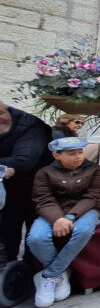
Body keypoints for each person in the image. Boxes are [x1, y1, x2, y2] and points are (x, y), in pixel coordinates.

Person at [27, 137, 100, 308]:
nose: (78, 157)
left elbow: (92, 196)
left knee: (84, 231)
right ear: (57, 155)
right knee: (36, 238)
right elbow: (42, 199)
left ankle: (49, 275)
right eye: (72, 154)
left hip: (85, 210)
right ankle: (61, 273)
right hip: (52, 211)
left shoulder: (95, 170)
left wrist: (71, 217)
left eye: (80, 152)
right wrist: (57, 218)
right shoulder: (44, 173)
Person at [0, 100, 52, 260]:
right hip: (6, 186)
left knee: (33, 228)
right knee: (7, 227)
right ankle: (8, 264)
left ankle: (30, 268)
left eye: (1, 114)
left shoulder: (30, 125)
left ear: (6, 108)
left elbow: (24, 161)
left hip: (35, 184)